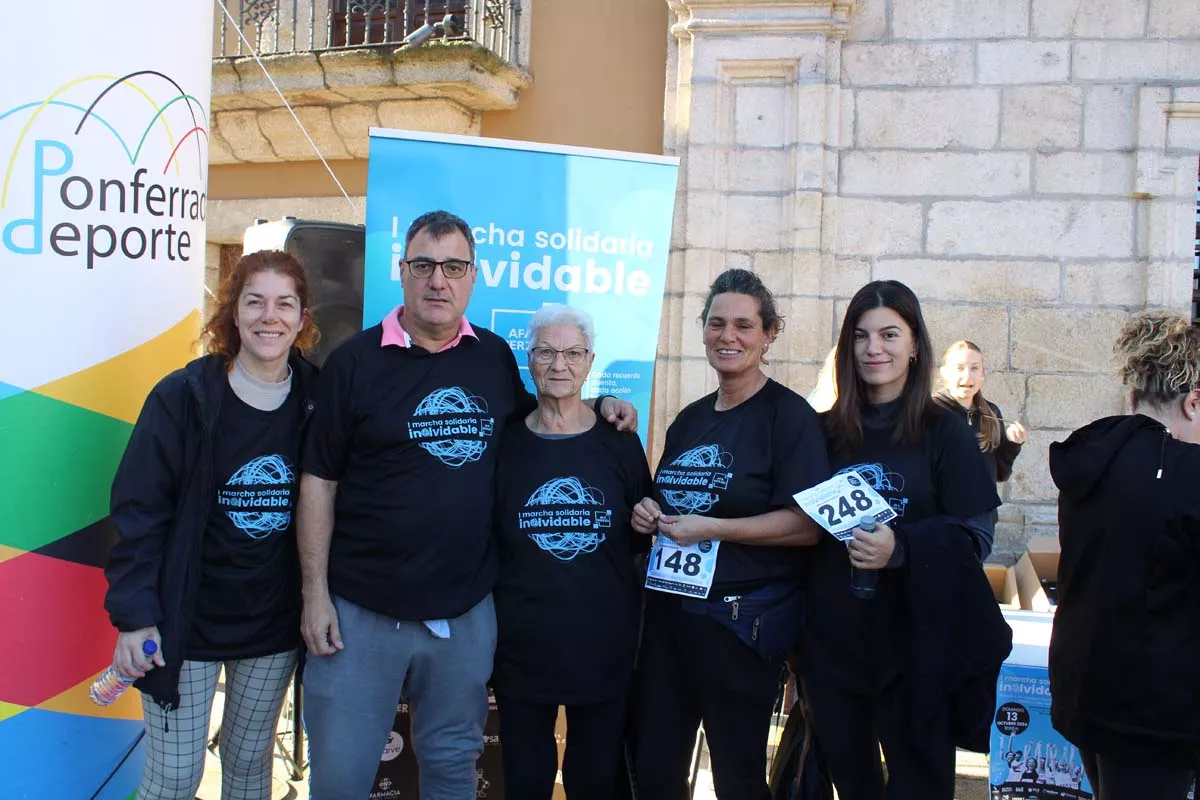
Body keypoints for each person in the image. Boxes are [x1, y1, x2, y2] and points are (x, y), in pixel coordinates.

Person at [296, 210, 636, 799]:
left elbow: (547, 411)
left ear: (473, 277)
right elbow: (318, 481)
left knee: (454, 773)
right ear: (401, 272)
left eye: (453, 267)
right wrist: (313, 594)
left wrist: (605, 403)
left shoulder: (493, 358)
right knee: (341, 778)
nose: (438, 281)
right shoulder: (354, 362)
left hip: (463, 615)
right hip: (361, 613)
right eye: (424, 266)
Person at [103, 250, 320, 799]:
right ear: (233, 312)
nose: (269, 317)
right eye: (255, 302)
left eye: (284, 304)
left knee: (249, 764)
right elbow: (139, 510)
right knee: (175, 775)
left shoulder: (319, 399)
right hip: (185, 622)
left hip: (270, 625)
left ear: (302, 317)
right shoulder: (184, 396)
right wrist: (134, 616)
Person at [799, 280, 1011, 800]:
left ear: (915, 344)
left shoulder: (947, 432)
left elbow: (975, 536)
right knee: (852, 785)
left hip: (917, 650)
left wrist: (904, 549)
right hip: (832, 648)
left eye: (890, 334)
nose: (875, 349)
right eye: (861, 336)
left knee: (921, 786)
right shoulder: (821, 432)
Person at [629, 268, 830, 799]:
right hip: (670, 622)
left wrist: (713, 529)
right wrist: (649, 511)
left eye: (744, 325)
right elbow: (671, 499)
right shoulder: (689, 420)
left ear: (768, 335)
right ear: (702, 331)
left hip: (738, 628)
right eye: (717, 323)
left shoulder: (789, 418)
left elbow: (807, 526)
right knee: (654, 772)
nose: (728, 336)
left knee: (738, 780)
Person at [491, 303, 652, 799]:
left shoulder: (619, 440)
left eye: (572, 353)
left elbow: (643, 529)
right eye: (546, 352)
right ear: (528, 359)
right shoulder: (506, 440)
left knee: (594, 779)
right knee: (525, 778)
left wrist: (647, 516)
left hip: (602, 640)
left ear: (589, 361)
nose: (559, 364)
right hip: (522, 642)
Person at [1049, 311, 1200, 800]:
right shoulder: (1186, 475)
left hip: (1089, 685)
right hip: (1154, 708)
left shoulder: (1095, 453)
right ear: (1193, 403)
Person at [934, 340, 1027, 485]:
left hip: (985, 507)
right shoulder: (930, 411)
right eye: (959, 368)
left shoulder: (991, 412)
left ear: (983, 373)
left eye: (975, 368)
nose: (967, 376)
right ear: (945, 373)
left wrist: (1012, 444)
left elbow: (1000, 474)